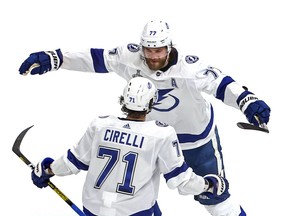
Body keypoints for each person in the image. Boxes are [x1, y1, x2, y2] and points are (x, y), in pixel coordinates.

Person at [20, 20, 271, 216]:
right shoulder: (131, 57)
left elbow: (222, 84)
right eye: (148, 49)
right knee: (135, 198)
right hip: (148, 140)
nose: (152, 56)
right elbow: (95, 58)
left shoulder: (190, 69)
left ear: (169, 47)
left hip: (194, 141)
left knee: (215, 198)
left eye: (159, 50)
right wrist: (57, 58)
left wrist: (247, 101)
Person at [31, 77, 228, 216]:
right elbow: (181, 181)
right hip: (135, 212)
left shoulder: (100, 125)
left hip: (93, 209)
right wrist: (210, 185)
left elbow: (71, 162)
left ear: (123, 100)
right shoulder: (161, 133)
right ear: (152, 102)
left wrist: (47, 169)